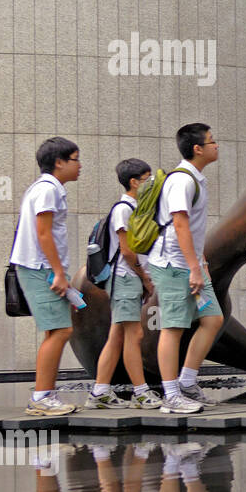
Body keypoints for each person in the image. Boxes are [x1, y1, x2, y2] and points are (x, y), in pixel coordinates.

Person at [148, 123, 224, 415]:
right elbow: (179, 224)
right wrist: (194, 267)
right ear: (198, 149)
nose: (216, 145)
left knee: (212, 319)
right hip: (173, 265)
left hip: (190, 263)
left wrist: (199, 261)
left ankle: (188, 382)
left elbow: (191, 227)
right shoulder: (181, 180)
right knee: (174, 327)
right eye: (212, 141)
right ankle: (171, 395)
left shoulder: (195, 178)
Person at [10, 138, 83, 416]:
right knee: (61, 330)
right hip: (40, 268)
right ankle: (41, 397)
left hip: (39, 267)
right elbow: (44, 233)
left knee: (57, 330)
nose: (80, 165)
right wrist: (58, 273)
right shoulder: (48, 190)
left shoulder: (46, 189)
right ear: (59, 162)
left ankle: (46, 394)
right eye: (75, 159)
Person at [89, 159, 159, 410]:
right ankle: (141, 392)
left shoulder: (135, 207)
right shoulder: (124, 209)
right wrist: (144, 277)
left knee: (117, 335)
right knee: (134, 334)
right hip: (124, 278)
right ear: (134, 182)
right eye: (148, 179)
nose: (152, 184)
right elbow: (127, 251)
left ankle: (100, 391)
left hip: (128, 278)